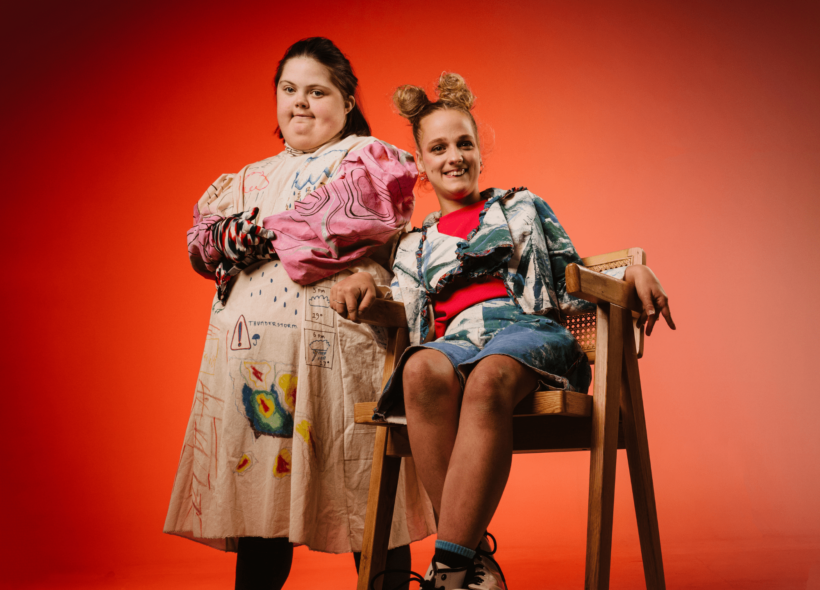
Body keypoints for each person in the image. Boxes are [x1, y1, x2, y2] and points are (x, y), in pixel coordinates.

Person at [330, 72, 675, 590]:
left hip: (527, 333)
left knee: (489, 379)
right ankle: (468, 560)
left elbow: (571, 274)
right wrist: (360, 279)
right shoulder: (414, 243)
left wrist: (631, 272)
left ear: (479, 152)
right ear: (421, 164)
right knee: (418, 369)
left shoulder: (520, 207)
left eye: (464, 143)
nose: (454, 156)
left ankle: (446, 570)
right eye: (439, 147)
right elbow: (400, 307)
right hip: (451, 346)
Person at [164, 38, 435, 590]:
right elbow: (200, 245)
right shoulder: (250, 175)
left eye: (318, 91)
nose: (301, 103)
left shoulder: (369, 159)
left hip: (344, 367)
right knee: (261, 515)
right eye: (290, 90)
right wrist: (224, 238)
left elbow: (332, 228)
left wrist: (247, 232)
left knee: (371, 505)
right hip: (256, 378)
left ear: (347, 99)